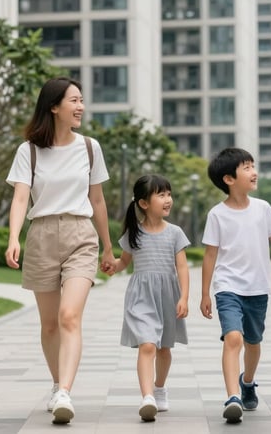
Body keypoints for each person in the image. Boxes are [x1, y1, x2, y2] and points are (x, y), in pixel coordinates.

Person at [4, 77, 116, 425]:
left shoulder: (90, 148)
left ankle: (65, 391)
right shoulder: (30, 151)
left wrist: (108, 248)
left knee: (70, 316)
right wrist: (13, 237)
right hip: (41, 236)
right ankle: (57, 383)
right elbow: (21, 197)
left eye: (82, 100)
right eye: (74, 101)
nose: (80, 107)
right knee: (50, 324)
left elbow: (97, 200)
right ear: (54, 106)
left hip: (81, 235)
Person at [200, 147, 271, 424]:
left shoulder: (263, 208)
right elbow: (210, 255)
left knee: (253, 342)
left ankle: (247, 381)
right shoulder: (217, 214)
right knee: (233, 338)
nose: (254, 172)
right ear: (229, 179)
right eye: (246, 167)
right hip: (227, 288)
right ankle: (233, 396)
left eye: (253, 166)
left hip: (258, 289)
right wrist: (204, 294)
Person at [110, 174, 190, 422]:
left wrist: (184, 297)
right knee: (147, 344)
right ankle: (147, 397)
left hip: (167, 295)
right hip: (141, 296)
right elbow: (124, 261)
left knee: (164, 349)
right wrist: (112, 266)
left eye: (169, 194)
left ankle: (159, 387)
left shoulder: (175, 233)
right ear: (144, 203)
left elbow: (183, 268)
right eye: (161, 195)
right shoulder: (134, 233)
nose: (168, 199)